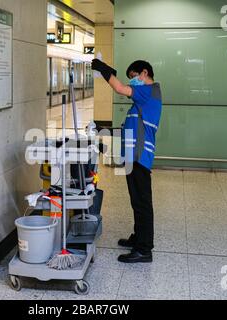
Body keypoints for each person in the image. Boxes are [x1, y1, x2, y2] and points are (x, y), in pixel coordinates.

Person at [92, 59, 162, 263]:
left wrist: (102, 68)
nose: (132, 82)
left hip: (140, 157)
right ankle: (138, 238)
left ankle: (144, 249)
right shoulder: (143, 98)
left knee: (142, 203)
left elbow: (119, 88)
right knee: (136, 201)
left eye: (133, 77)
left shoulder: (148, 91)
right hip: (135, 156)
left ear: (144, 73)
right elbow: (132, 127)